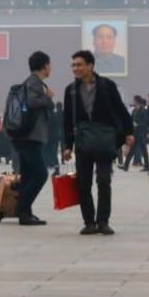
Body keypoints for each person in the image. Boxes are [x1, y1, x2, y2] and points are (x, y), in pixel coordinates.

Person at [63, 50, 134, 235]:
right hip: (83, 142)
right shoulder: (70, 90)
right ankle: (89, 222)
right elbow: (67, 120)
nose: (75, 68)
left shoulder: (107, 85)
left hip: (104, 141)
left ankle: (103, 221)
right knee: (83, 184)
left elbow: (120, 109)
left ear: (90, 65)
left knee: (104, 181)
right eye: (73, 65)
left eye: (79, 65)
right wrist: (67, 146)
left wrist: (129, 132)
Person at [11, 51, 55, 226]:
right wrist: (48, 98)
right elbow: (32, 102)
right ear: (44, 65)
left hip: (26, 136)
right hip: (30, 136)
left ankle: (26, 212)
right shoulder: (34, 83)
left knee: (29, 175)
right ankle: (22, 208)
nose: (50, 68)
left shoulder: (33, 82)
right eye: (49, 64)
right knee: (40, 174)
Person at [120, 95, 149, 171]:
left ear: (137, 101)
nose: (133, 102)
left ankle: (146, 166)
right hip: (135, 134)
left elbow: (145, 122)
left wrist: (137, 125)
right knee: (133, 151)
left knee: (144, 151)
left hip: (141, 134)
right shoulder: (134, 110)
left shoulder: (143, 110)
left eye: (134, 100)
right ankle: (126, 166)